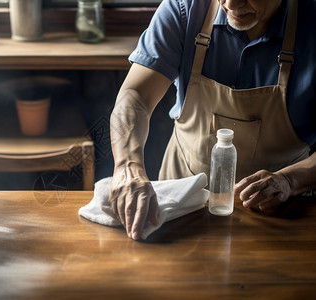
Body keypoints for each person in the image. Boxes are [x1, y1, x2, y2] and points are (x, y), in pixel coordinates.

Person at [109, 0, 316, 240]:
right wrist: (127, 166)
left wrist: (289, 180)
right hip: (181, 210)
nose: (230, 3)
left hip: (282, 217)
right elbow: (135, 97)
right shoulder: (185, 8)